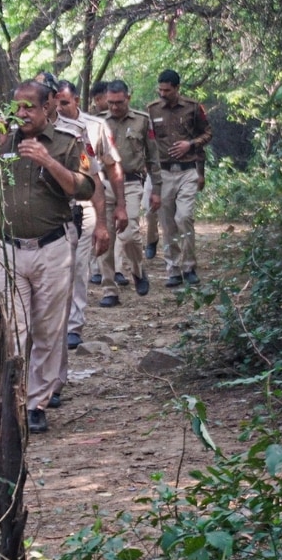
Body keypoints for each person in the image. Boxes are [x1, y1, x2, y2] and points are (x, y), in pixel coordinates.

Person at [0, 79, 94, 434]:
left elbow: (84, 187)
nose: (21, 115)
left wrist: (48, 161)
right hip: (10, 248)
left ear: (48, 105)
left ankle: (38, 404)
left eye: (29, 108)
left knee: (48, 329)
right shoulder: (2, 142)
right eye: (16, 108)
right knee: (15, 329)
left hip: (52, 248)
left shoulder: (67, 143)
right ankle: (15, 399)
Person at [52, 81, 125, 365]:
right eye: (55, 103)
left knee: (78, 266)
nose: (60, 109)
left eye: (65, 103)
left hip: (85, 205)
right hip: (52, 210)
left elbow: (103, 170)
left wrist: (114, 210)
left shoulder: (91, 129)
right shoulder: (40, 132)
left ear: (76, 100)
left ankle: (73, 325)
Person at [96, 80, 160, 306]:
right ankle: (109, 289)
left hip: (132, 183)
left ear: (128, 98)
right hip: (103, 185)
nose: (114, 107)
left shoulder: (142, 120)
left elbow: (153, 157)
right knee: (105, 238)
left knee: (131, 233)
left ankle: (137, 270)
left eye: (119, 102)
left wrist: (156, 190)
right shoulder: (98, 122)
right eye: (110, 103)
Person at [146, 69, 211, 287]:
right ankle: (173, 269)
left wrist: (190, 144)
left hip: (187, 171)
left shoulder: (193, 108)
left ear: (177, 88)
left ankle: (189, 266)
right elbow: (147, 142)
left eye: (167, 90)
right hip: (163, 173)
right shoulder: (151, 110)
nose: (163, 93)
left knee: (184, 218)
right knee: (167, 223)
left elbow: (208, 133)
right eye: (160, 89)